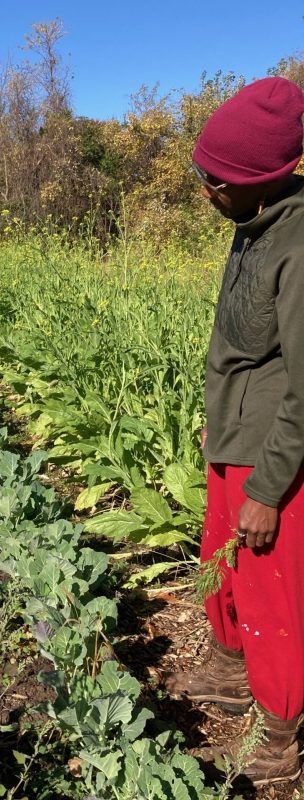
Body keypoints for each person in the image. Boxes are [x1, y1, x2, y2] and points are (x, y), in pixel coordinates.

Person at [165, 77, 304, 785]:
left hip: (274, 456)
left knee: (272, 594)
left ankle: (279, 737)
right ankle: (225, 669)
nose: (205, 190)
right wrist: (214, 423)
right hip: (233, 436)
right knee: (219, 562)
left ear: (259, 179)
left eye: (215, 180)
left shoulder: (300, 245)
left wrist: (271, 489)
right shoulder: (250, 225)